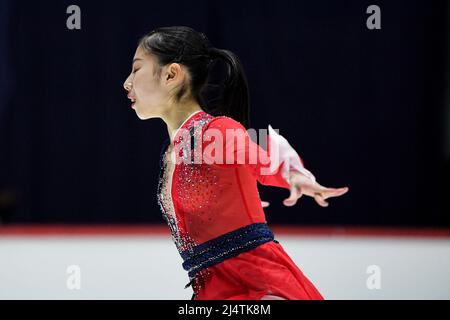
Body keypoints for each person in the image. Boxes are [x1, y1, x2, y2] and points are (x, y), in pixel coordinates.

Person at [123, 26, 348, 300]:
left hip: (256, 284)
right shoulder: (174, 150)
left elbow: (259, 152)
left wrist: (292, 173)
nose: (127, 82)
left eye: (136, 69)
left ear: (172, 75)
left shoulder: (214, 132)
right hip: (214, 288)